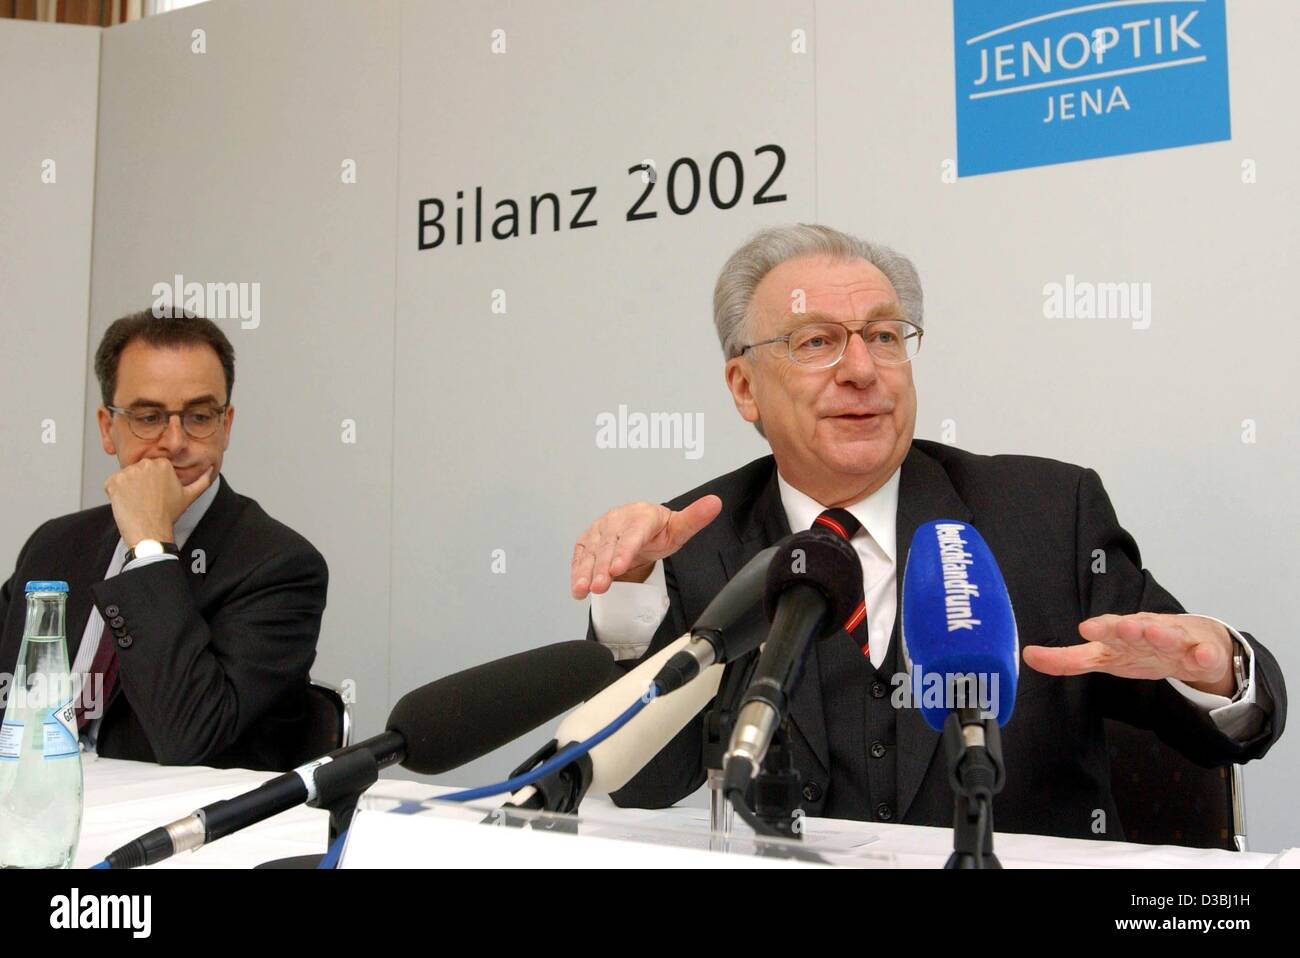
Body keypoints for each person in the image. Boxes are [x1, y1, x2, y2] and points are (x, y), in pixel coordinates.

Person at [569, 224, 1286, 840]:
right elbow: (644, 786)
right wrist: (630, 605)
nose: (861, 370)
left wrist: (1219, 671)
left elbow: (1221, 731)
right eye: (817, 341)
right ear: (745, 386)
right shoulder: (696, 541)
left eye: (884, 336)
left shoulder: (1047, 513)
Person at [0, 310, 328, 771]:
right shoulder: (55, 544)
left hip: (178, 825)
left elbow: (189, 739)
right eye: (148, 416)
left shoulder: (279, 566)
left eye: (198, 415)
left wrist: (150, 546)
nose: (174, 442)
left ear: (226, 424)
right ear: (106, 428)